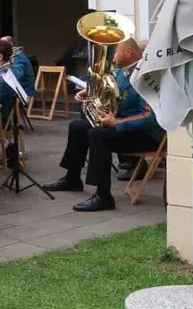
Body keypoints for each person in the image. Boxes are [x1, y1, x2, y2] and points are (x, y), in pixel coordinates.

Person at [44, 39, 163, 212]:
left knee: (97, 135)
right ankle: (72, 178)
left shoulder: (146, 75)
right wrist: (90, 94)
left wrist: (117, 122)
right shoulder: (121, 72)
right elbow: (112, 94)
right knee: (77, 127)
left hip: (147, 134)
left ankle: (103, 196)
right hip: (125, 126)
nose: (112, 56)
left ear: (129, 52)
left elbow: (150, 116)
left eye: (115, 52)